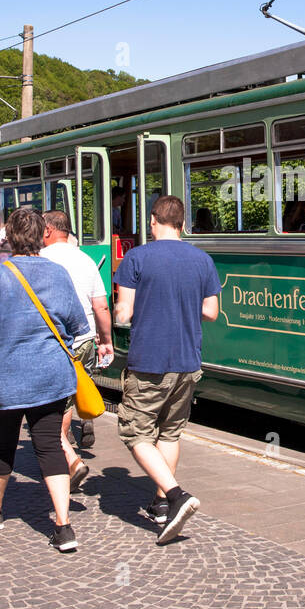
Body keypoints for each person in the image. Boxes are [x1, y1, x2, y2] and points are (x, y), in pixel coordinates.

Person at [0, 206, 88, 553]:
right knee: (49, 446)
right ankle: (64, 527)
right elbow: (78, 326)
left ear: (8, 237)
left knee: (2, 445)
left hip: (6, 378)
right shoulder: (58, 272)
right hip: (52, 376)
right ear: (40, 236)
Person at [112, 194, 220, 544]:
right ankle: (161, 506)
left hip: (149, 361)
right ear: (183, 224)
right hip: (188, 361)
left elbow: (123, 314)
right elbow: (211, 312)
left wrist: (123, 313)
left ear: (153, 221)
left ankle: (176, 496)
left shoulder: (136, 257)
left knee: (135, 433)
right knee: (170, 434)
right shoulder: (202, 260)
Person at [39, 209, 113, 482]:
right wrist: (106, 340)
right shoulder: (86, 260)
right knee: (75, 391)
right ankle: (72, 443)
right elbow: (101, 305)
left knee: (58, 404)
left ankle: (65, 460)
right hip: (85, 339)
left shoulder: (38, 259)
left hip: (54, 341)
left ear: (47, 231)